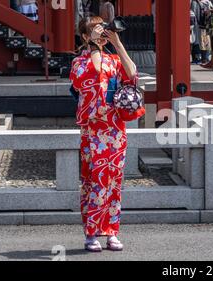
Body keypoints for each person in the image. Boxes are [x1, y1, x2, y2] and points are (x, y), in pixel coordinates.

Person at [69, 16, 138, 252]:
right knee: (93, 181)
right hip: (93, 130)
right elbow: (94, 73)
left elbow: (132, 73)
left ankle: (111, 232)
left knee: (114, 182)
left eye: (103, 28)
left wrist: (117, 43)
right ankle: (91, 233)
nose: (102, 32)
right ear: (85, 36)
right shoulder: (79, 62)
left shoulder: (114, 58)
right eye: (95, 30)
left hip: (115, 128)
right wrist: (94, 45)